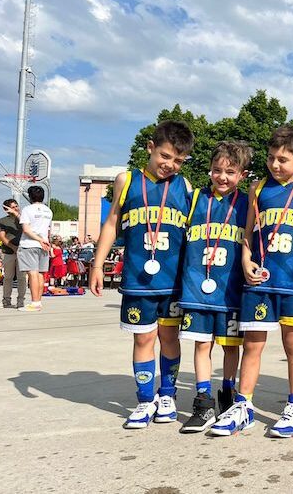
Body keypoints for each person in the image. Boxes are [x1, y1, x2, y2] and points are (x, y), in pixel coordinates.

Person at [210, 125, 293, 438]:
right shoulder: (258, 189)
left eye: (283, 159)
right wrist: (246, 260)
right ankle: (243, 405)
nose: (275, 164)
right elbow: (248, 233)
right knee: (252, 344)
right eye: (271, 157)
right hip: (260, 280)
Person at [89, 120, 195, 429]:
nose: (170, 165)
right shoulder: (127, 180)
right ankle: (145, 400)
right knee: (143, 338)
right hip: (138, 279)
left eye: (178, 160)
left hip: (173, 281)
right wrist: (97, 264)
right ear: (150, 147)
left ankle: (168, 395)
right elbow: (112, 223)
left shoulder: (184, 186)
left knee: (169, 338)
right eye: (165, 156)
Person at [177, 141, 252, 433]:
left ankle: (228, 394)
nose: (222, 177)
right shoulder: (195, 198)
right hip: (196, 288)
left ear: (242, 175)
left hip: (231, 290)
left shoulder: (247, 204)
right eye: (217, 170)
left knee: (231, 347)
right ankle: (203, 400)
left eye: (230, 172)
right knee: (202, 344)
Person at [17, 186, 54, 312]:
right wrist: (44, 241)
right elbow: (47, 230)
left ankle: (34, 303)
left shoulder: (27, 209)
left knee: (32, 273)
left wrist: (39, 239)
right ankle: (38, 302)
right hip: (44, 245)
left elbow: (26, 230)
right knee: (40, 274)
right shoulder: (48, 211)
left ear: (30, 196)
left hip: (29, 244)